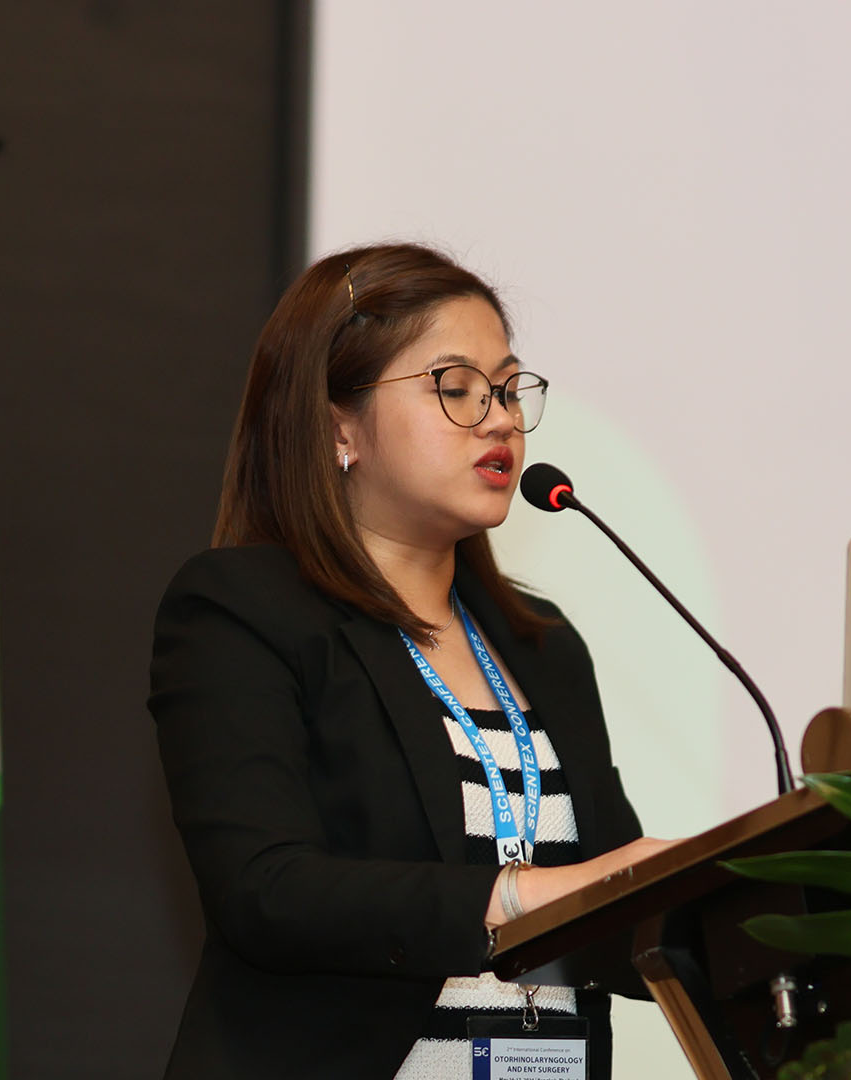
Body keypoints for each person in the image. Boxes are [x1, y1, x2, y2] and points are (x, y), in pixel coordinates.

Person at [149, 243, 669, 1079]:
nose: (500, 419)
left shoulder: (543, 645)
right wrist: (519, 895)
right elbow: (265, 891)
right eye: (456, 388)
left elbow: (619, 923)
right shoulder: (243, 611)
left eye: (508, 389)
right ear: (339, 427)